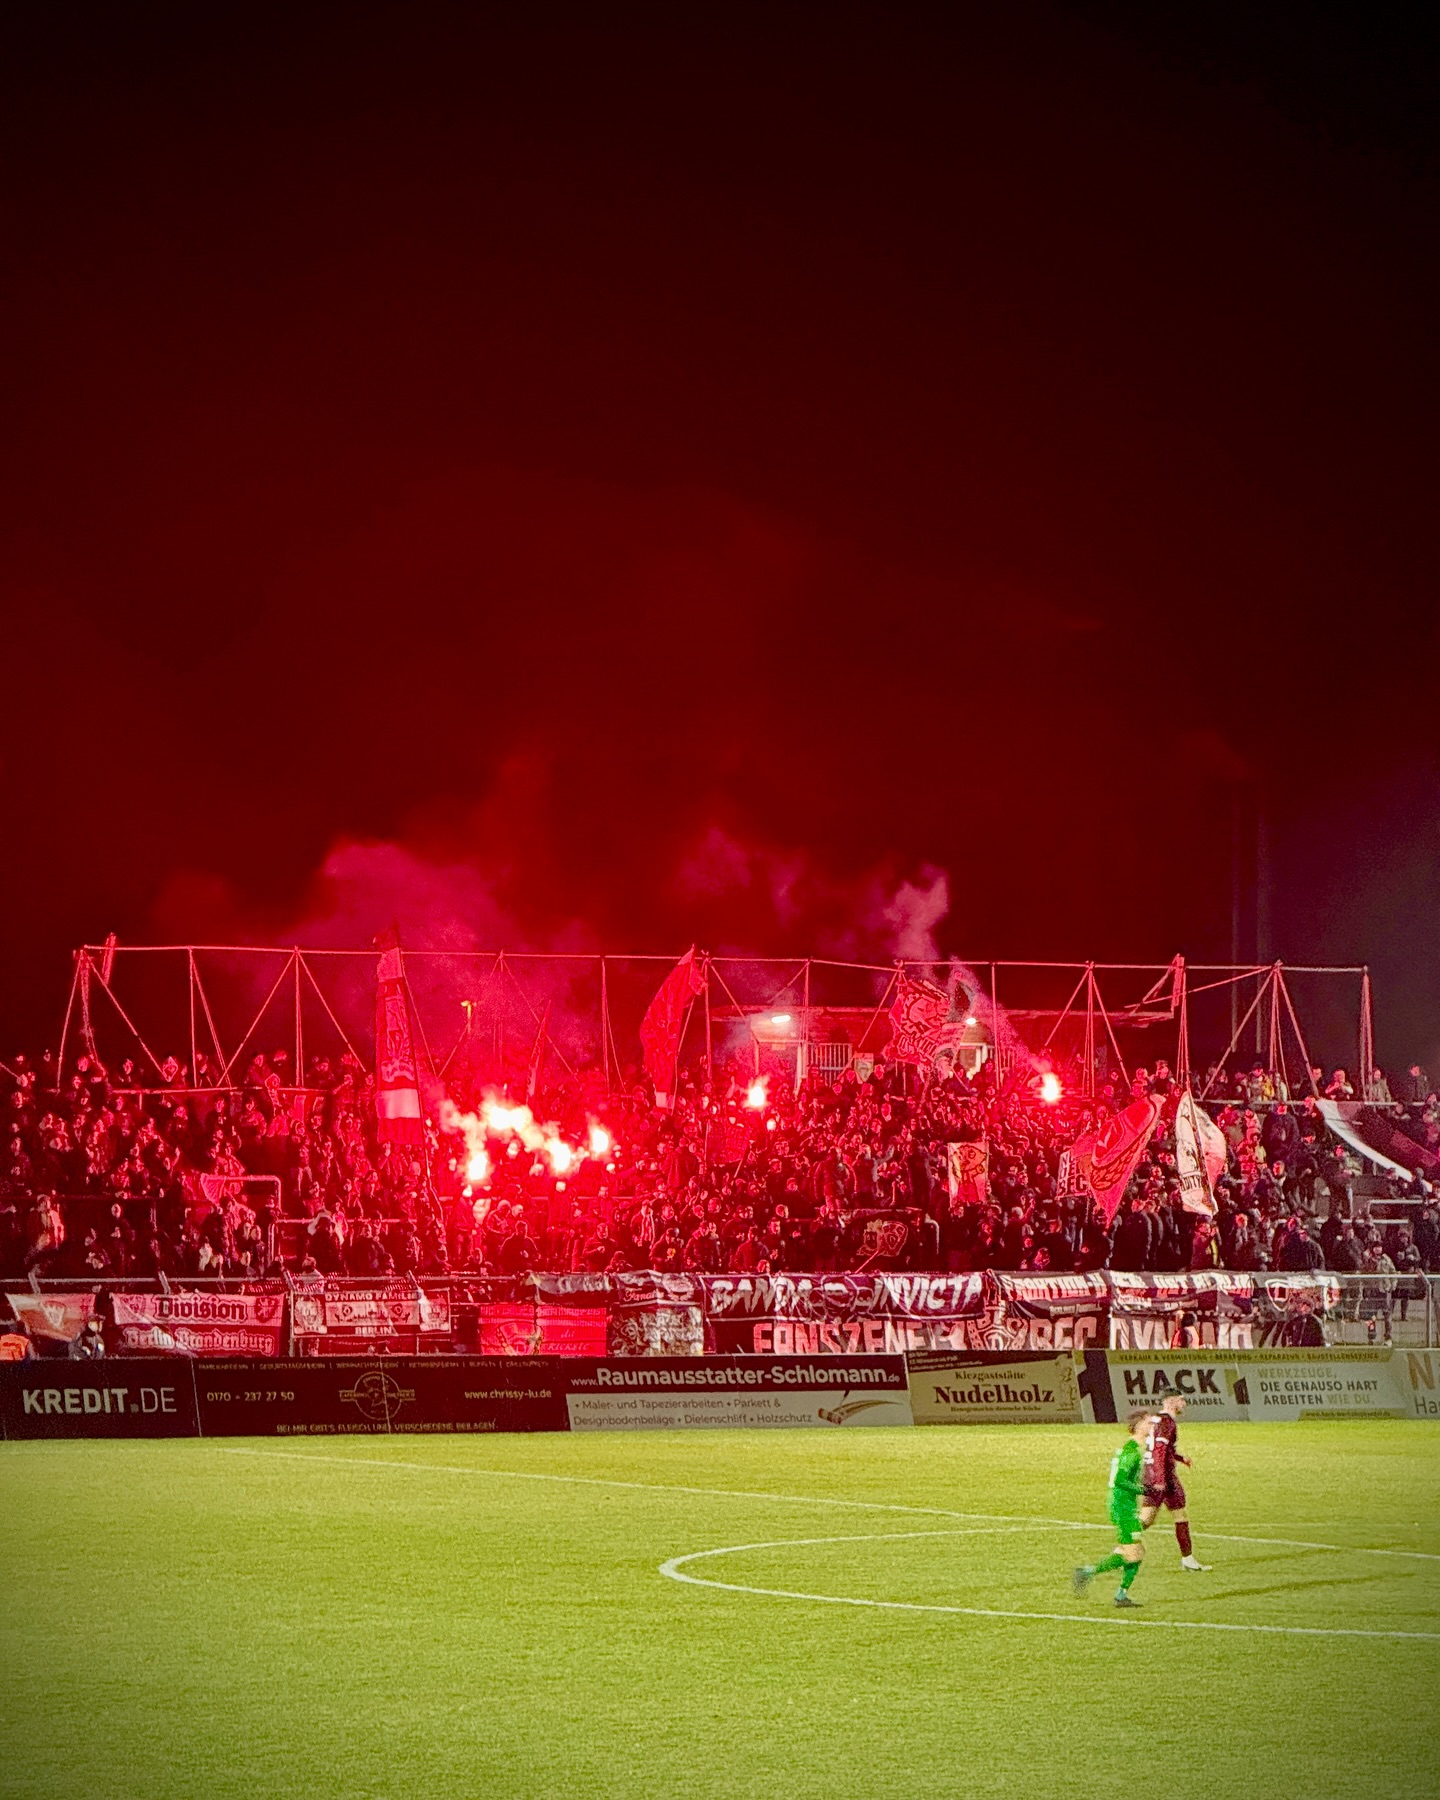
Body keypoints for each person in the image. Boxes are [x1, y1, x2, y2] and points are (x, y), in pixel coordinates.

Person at [1073, 1410, 1154, 1608]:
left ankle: (1120, 1595)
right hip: (1122, 1506)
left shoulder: (1131, 1448)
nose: (1152, 1427)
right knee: (1133, 1553)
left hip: (1123, 1504)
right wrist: (1144, 1489)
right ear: (1138, 1426)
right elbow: (1120, 1480)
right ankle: (1086, 1573)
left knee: (1134, 1552)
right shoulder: (1131, 1452)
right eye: (1148, 1423)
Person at [1139, 1387, 1210, 1571]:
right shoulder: (1167, 1422)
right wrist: (1161, 1479)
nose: (1184, 1403)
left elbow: (1162, 1447)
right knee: (1146, 1520)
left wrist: (1180, 1458)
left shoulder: (1157, 1420)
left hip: (1157, 1473)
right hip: (1160, 1476)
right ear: (1171, 1402)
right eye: (1181, 1400)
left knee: (1180, 1515)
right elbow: (1160, 1451)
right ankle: (1123, 1544)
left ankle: (1188, 1559)